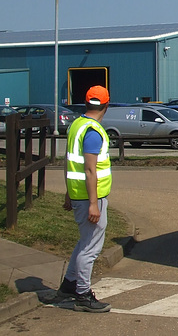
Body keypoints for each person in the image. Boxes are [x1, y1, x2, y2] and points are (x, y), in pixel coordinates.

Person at [57, 85, 112, 312]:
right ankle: (83, 294)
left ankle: (70, 283)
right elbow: (90, 169)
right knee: (90, 248)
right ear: (106, 105)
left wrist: (69, 193)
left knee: (84, 242)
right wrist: (93, 204)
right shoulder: (93, 131)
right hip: (92, 197)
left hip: (78, 194)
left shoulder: (77, 125)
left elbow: (70, 163)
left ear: (86, 102)